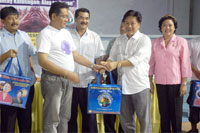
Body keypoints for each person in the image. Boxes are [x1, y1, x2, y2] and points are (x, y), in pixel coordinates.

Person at [36, 2, 106, 133]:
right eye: (63, 16)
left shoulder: (66, 33)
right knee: (52, 119)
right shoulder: (45, 34)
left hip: (67, 81)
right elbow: (43, 61)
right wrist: (67, 73)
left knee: (65, 117)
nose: (67, 20)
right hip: (53, 80)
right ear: (53, 16)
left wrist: (93, 65)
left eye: (68, 16)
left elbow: (75, 55)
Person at [102, 10, 152, 133]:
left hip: (139, 86)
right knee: (126, 122)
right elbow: (111, 57)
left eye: (132, 23)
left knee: (144, 122)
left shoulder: (144, 40)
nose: (129, 26)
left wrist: (117, 64)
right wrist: (106, 65)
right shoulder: (119, 40)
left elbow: (135, 60)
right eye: (126, 23)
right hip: (122, 87)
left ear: (139, 24)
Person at [149, 14, 192, 132]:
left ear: (174, 27)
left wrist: (184, 83)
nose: (167, 28)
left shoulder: (181, 42)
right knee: (164, 114)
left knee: (176, 114)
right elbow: (151, 62)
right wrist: (150, 82)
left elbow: (185, 63)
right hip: (160, 82)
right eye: (164, 25)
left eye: (170, 25)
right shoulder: (155, 43)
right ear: (160, 27)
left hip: (176, 83)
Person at [68, 8, 105, 133]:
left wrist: (98, 77)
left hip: (89, 83)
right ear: (76, 19)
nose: (84, 21)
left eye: (87, 18)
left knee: (89, 119)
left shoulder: (94, 37)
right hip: (70, 83)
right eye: (82, 18)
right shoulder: (67, 35)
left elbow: (99, 59)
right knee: (69, 118)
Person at [0, 6, 36, 132]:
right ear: (3, 21)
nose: (15, 21)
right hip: (7, 86)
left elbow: (29, 55)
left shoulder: (25, 36)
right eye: (10, 19)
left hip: (26, 84)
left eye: (16, 18)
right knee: (8, 122)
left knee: (26, 121)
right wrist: (5, 55)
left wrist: (33, 71)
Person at [103, 21, 126, 133]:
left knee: (124, 109)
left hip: (125, 78)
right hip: (111, 77)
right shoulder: (113, 41)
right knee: (109, 105)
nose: (122, 29)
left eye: (124, 27)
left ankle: (122, 130)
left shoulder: (133, 43)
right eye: (121, 26)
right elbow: (108, 57)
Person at [186, 37, 200, 133]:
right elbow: (185, 59)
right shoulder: (192, 42)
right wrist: (197, 72)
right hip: (196, 81)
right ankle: (193, 130)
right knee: (193, 107)